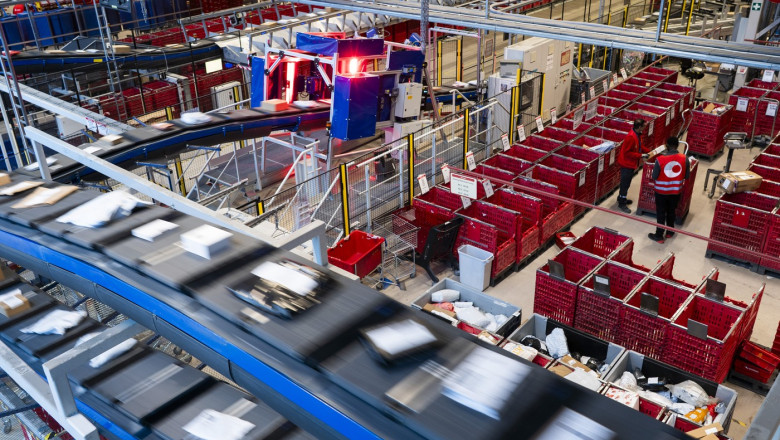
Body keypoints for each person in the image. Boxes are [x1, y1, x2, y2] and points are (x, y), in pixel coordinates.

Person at [648, 137, 690, 244]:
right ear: (677, 145)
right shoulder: (684, 158)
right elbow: (687, 176)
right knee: (671, 210)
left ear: (667, 146)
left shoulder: (660, 159)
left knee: (661, 213)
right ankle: (670, 232)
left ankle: (659, 235)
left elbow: (654, 176)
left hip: (661, 192)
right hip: (675, 191)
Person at [616, 119, 650, 213]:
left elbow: (639, 146)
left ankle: (621, 198)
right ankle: (622, 203)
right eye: (643, 126)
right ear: (639, 127)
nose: (645, 128)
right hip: (627, 164)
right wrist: (640, 155)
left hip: (631, 163)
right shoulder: (631, 137)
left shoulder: (637, 134)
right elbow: (627, 153)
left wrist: (648, 151)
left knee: (627, 183)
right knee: (625, 184)